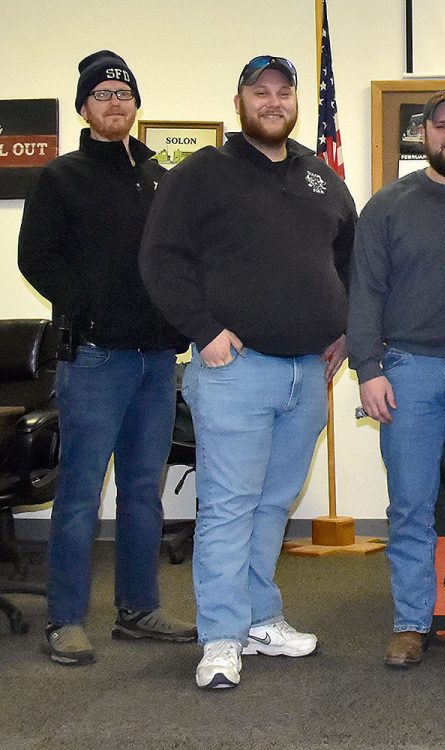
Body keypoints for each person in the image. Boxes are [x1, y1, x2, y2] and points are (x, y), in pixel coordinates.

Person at [140, 55, 357, 689]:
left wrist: (345, 326)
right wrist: (203, 331)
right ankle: (221, 638)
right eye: (259, 92)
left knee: (271, 506)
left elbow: (349, 255)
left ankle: (261, 617)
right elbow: (160, 259)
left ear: (296, 103)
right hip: (235, 371)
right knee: (230, 510)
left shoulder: (320, 176)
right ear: (239, 102)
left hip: (307, 375)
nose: (272, 101)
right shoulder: (203, 173)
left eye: (283, 92)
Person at [18, 50, 195, 666]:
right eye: (102, 94)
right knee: (80, 494)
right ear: (84, 108)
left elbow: (177, 260)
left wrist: (180, 324)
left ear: (136, 104)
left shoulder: (161, 178)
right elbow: (35, 259)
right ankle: (65, 619)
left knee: (143, 492)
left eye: (124, 92)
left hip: (155, 363)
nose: (114, 101)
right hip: (93, 359)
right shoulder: (58, 177)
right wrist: (88, 307)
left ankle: (138, 609)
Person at [347, 90, 445, 669]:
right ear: (423, 135)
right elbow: (366, 291)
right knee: (410, 506)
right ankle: (411, 622)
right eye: (440, 126)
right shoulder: (387, 204)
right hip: (408, 371)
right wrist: (368, 369)